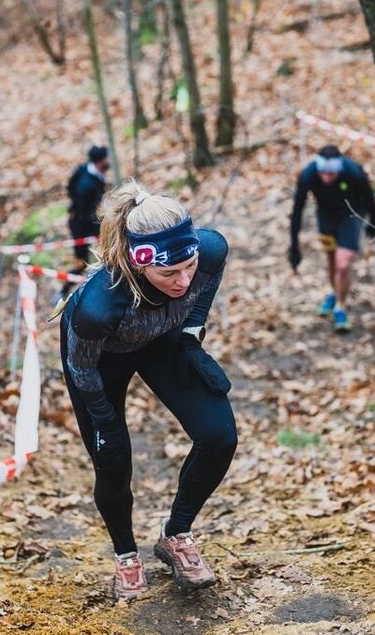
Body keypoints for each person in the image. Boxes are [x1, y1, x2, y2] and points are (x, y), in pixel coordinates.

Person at [60, 181, 235, 600]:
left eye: (189, 266)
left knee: (219, 436)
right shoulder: (98, 306)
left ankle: (176, 535)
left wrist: (191, 328)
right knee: (113, 462)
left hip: (162, 340)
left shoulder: (210, 250)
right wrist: (105, 423)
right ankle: (126, 555)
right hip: (101, 361)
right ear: (140, 263)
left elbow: (207, 279)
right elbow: (81, 367)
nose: (183, 280)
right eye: (168, 273)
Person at [287, 145, 375, 333]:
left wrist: (374, 222)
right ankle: (336, 292)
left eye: (331, 174)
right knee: (331, 259)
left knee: (343, 263)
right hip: (326, 217)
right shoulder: (309, 175)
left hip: (351, 216)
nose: (327, 178)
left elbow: (369, 197)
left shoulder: (353, 172)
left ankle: (340, 307)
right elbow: (297, 210)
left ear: (339, 169)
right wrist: (294, 245)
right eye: (323, 173)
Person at [58, 146, 111, 303]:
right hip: (81, 225)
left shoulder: (86, 170)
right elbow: (84, 211)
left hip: (88, 219)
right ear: (100, 161)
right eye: (106, 158)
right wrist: (100, 224)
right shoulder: (87, 185)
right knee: (81, 262)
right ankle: (64, 291)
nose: (109, 161)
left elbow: (70, 188)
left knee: (110, 250)